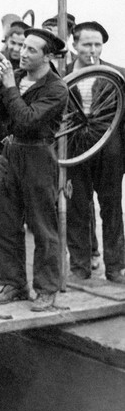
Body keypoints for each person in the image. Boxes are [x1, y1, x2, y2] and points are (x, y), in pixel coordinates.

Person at [0, 28, 68, 310]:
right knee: (3, 222)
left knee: (42, 226)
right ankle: (14, 284)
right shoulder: (18, 78)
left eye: (31, 50)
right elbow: (1, 118)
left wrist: (9, 88)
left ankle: (46, 289)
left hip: (38, 154)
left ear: (48, 56)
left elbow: (28, 121)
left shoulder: (56, 88)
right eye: (22, 47)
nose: (22, 53)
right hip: (11, 152)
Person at [65, 21, 125, 283]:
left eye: (97, 44)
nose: (93, 49)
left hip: (109, 151)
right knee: (77, 207)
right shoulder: (59, 75)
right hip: (74, 150)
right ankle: (80, 266)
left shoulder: (118, 75)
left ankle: (115, 267)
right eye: (87, 44)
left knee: (112, 208)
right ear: (74, 44)